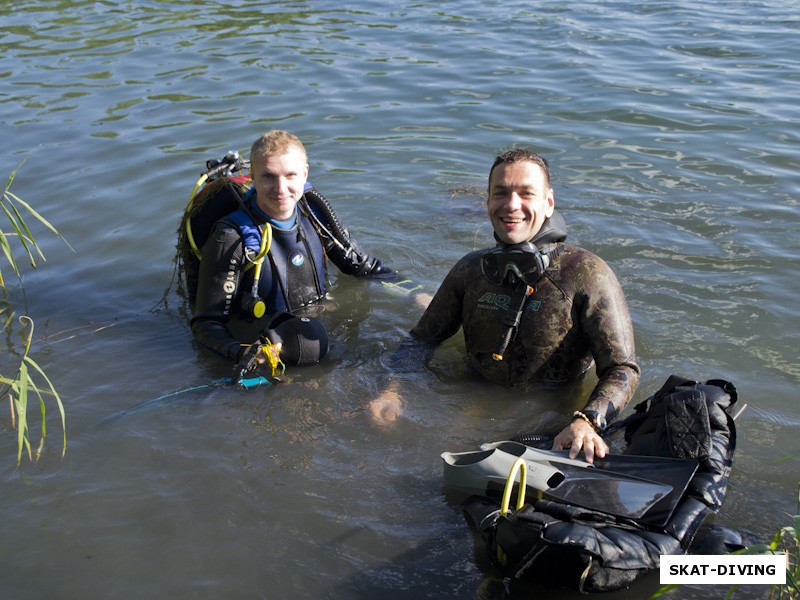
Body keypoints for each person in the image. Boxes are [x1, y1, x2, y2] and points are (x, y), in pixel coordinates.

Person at [369, 147, 640, 462]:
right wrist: (392, 389)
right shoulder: (470, 270)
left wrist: (588, 420)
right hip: (474, 398)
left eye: (526, 193)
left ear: (548, 202)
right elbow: (421, 339)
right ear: (487, 202)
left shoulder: (587, 274)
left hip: (553, 418)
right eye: (501, 193)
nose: (512, 205)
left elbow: (623, 368)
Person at [190, 130, 393, 365]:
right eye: (268, 176)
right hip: (269, 346)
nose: (281, 188)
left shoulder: (313, 211)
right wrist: (245, 355)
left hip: (319, 329)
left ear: (304, 173)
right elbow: (206, 324)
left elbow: (365, 267)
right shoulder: (231, 237)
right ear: (253, 176)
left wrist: (417, 293)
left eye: (290, 175)